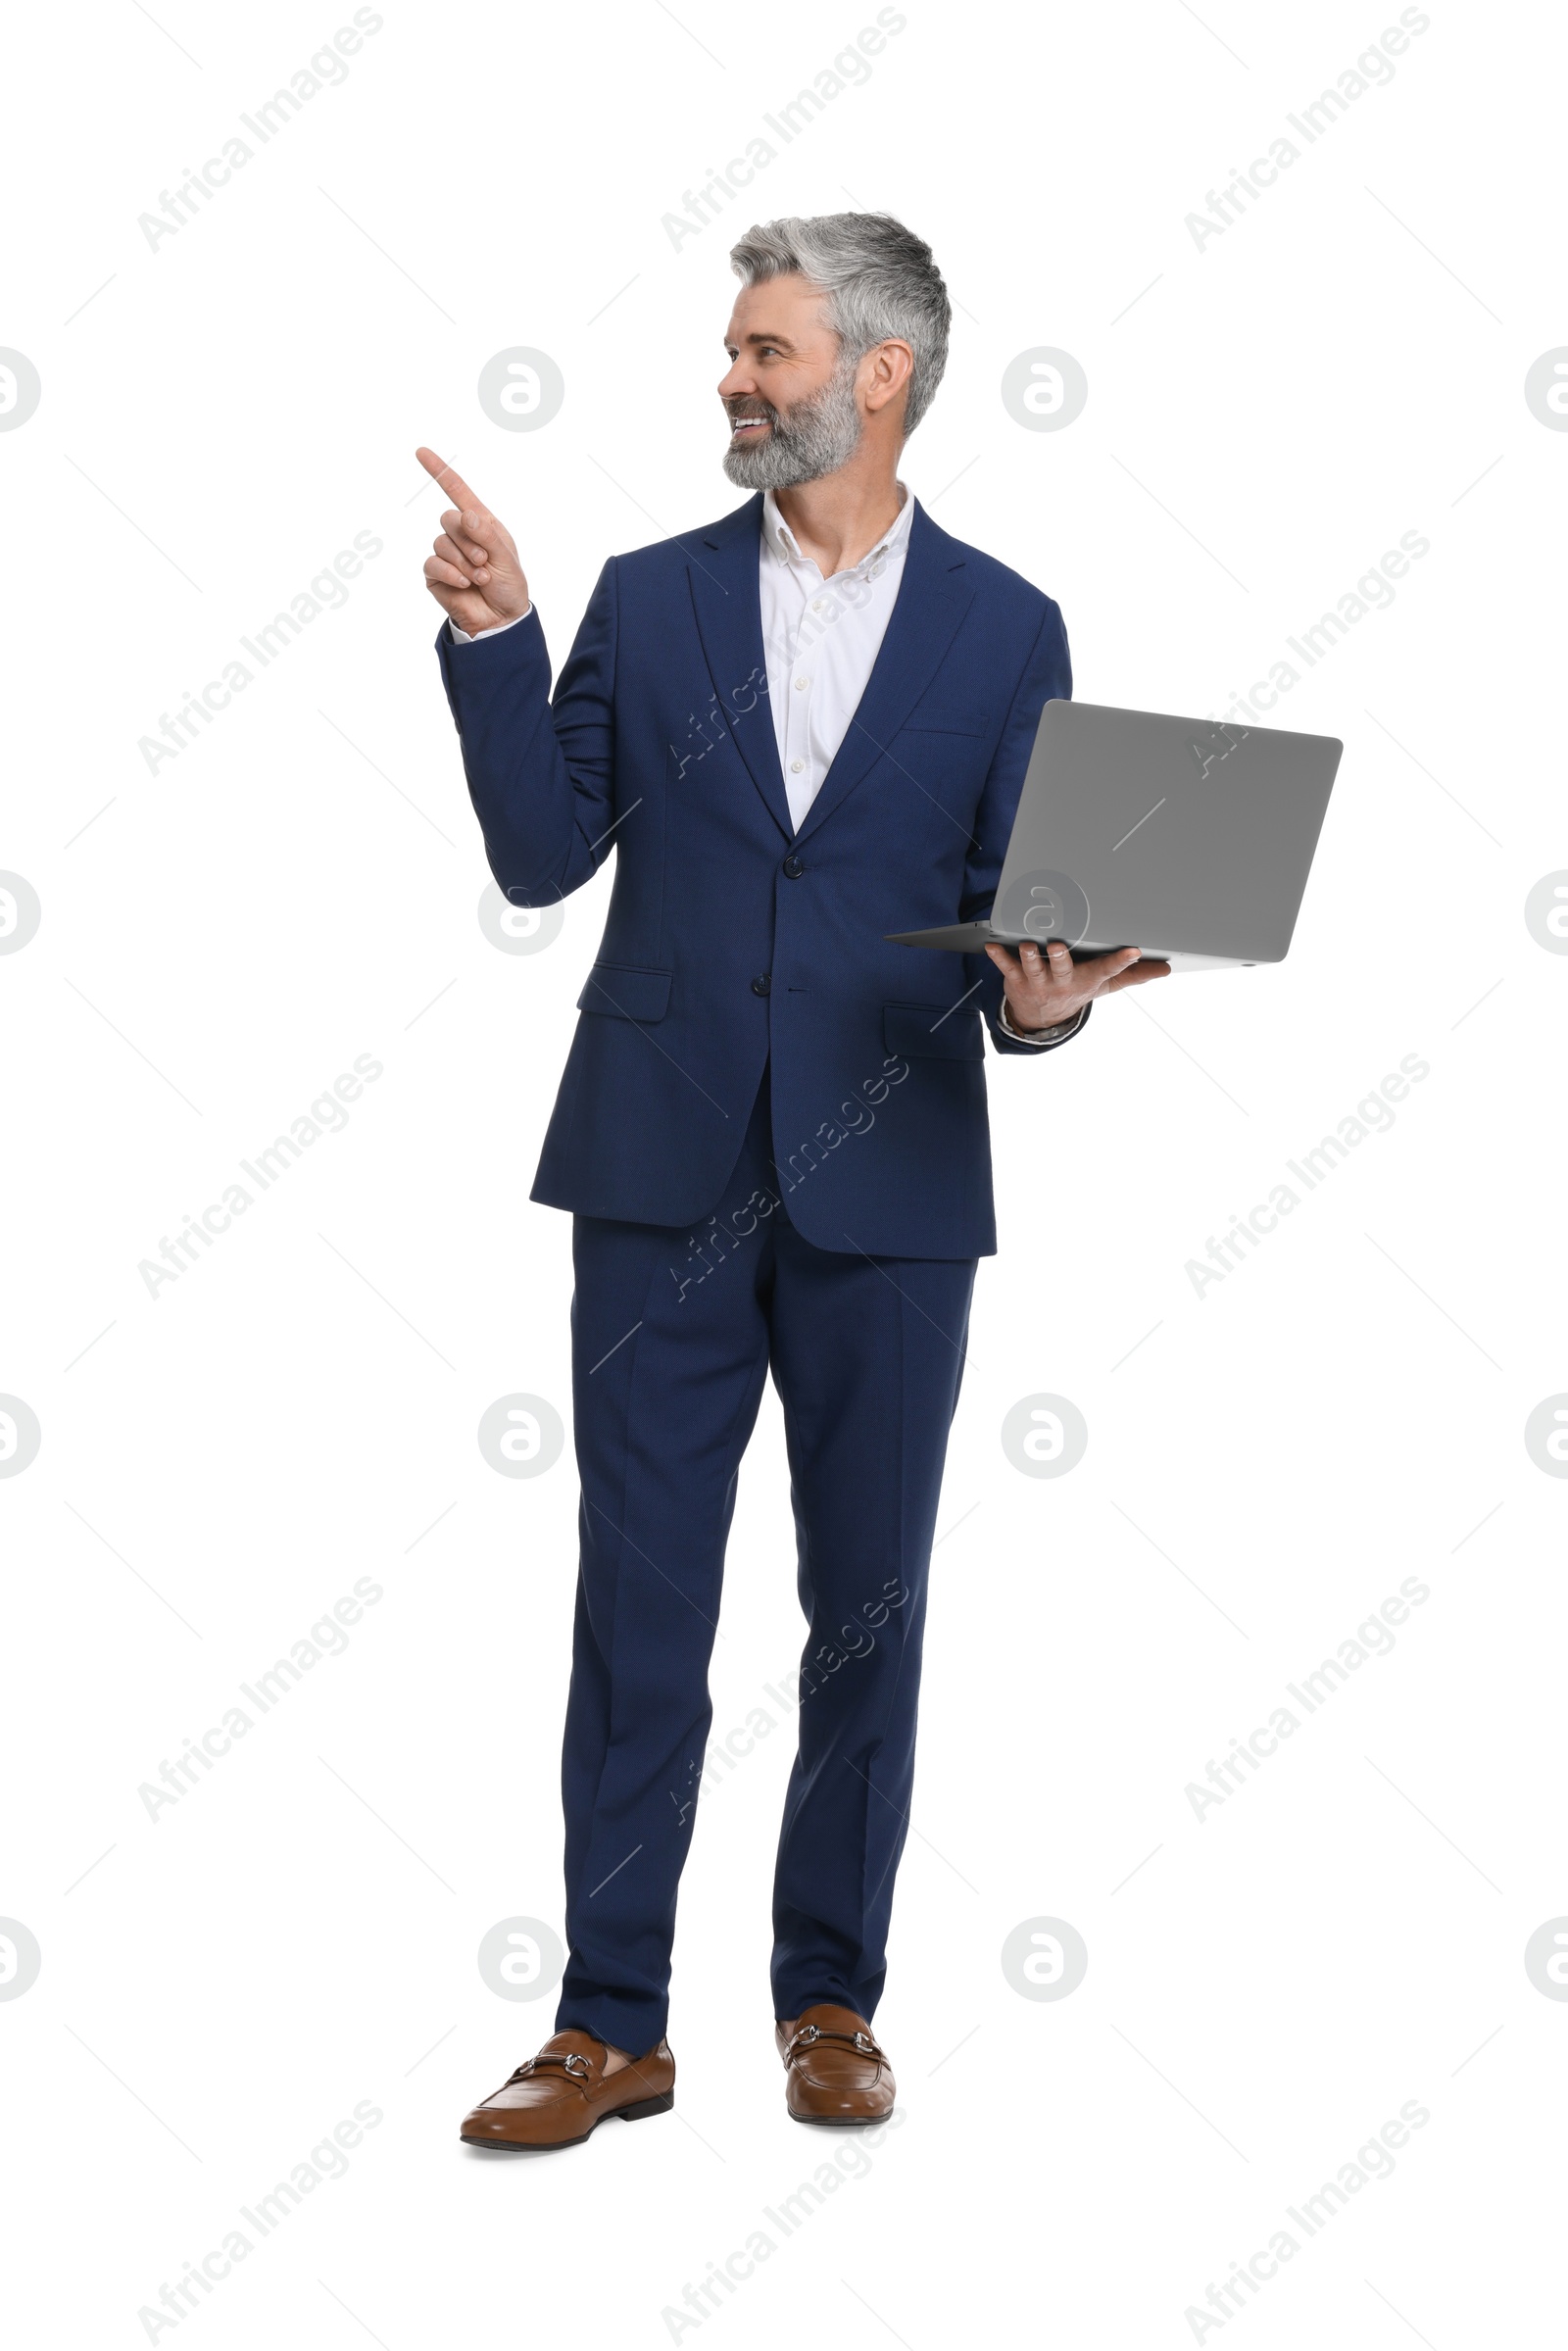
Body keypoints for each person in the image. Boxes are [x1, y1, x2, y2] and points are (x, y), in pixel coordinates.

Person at [421, 212, 1168, 2152]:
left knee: (867, 1609)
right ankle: (607, 2022)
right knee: (638, 1605)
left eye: (762, 351)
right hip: (656, 1174)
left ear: (878, 374)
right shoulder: (646, 597)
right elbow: (532, 857)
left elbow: (1029, 929)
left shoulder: (1009, 629)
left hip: (892, 1181)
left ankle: (827, 1995)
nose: (731, 380)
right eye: (733, 351)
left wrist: (1053, 1001)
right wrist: (496, 636)